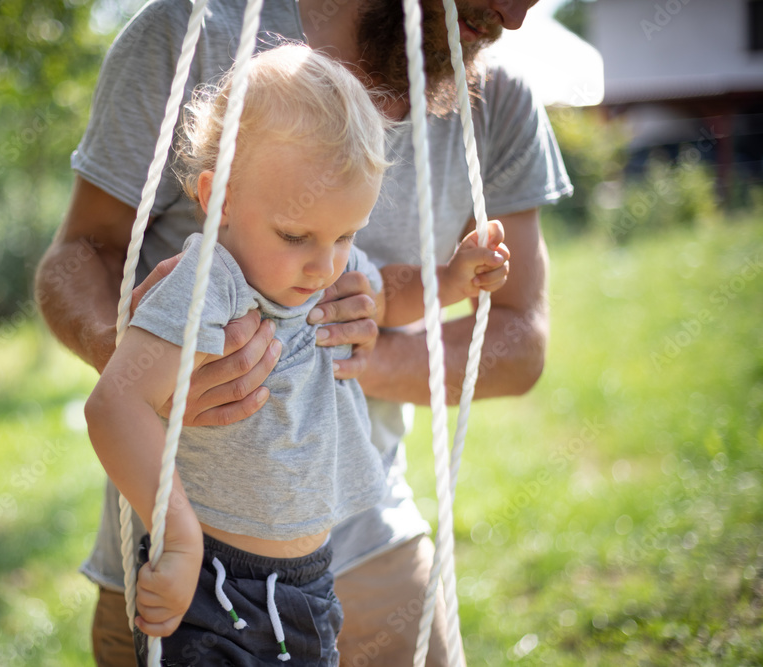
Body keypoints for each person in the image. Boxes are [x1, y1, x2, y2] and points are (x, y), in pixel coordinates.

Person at [35, 0, 570, 664]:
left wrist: (447, 285)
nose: (515, 16)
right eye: (296, 236)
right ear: (216, 197)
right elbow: (79, 261)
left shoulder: (496, 104)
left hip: (350, 551)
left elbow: (410, 298)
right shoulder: (195, 33)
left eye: (345, 236)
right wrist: (146, 367)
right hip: (199, 571)